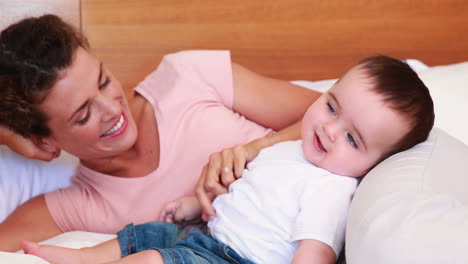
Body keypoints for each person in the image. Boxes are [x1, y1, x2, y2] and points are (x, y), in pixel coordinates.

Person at [20, 55, 435, 264]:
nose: (328, 130)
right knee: (143, 234)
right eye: (330, 106)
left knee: (152, 259)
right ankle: (85, 257)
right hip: (206, 233)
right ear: (44, 140)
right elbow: (248, 191)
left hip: (233, 259)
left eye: (351, 137)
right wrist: (188, 206)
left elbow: (314, 251)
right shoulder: (292, 150)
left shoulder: (330, 188)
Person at [0, 14, 322, 252]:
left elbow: (337, 116)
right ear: (43, 140)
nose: (112, 110)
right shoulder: (80, 206)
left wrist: (255, 149)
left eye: (103, 81)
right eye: (84, 115)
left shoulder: (186, 77)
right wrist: (6, 134)